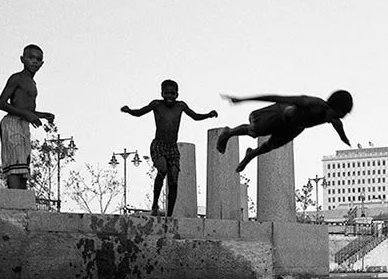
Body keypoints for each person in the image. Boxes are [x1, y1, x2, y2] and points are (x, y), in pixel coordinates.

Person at [120, 81, 217, 216]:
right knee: (162, 170)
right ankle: (155, 204)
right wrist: (129, 110)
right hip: (159, 145)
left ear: (177, 94)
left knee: (173, 181)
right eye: (167, 93)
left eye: (172, 93)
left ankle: (169, 215)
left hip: (172, 148)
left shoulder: (181, 106)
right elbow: (140, 112)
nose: (169, 96)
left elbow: (195, 116)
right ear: (162, 93)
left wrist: (208, 115)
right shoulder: (156, 104)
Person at [216, 90, 352, 174]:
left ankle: (250, 155)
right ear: (332, 107)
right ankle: (228, 132)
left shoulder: (334, 118)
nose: (335, 119)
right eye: (338, 114)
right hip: (281, 114)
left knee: (270, 146)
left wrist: (344, 139)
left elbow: (338, 126)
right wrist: (243, 99)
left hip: (294, 128)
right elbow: (276, 97)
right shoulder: (312, 103)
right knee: (254, 131)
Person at [0, 44, 53, 189]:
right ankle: (14, 199)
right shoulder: (17, 78)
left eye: (38, 59)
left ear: (42, 63)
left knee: (23, 165)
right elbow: (1, 103)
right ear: (22, 59)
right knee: (15, 165)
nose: (34, 61)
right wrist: (27, 114)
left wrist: (42, 115)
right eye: (31, 58)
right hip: (12, 123)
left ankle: (21, 199)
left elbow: (27, 109)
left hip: (23, 124)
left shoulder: (32, 82)